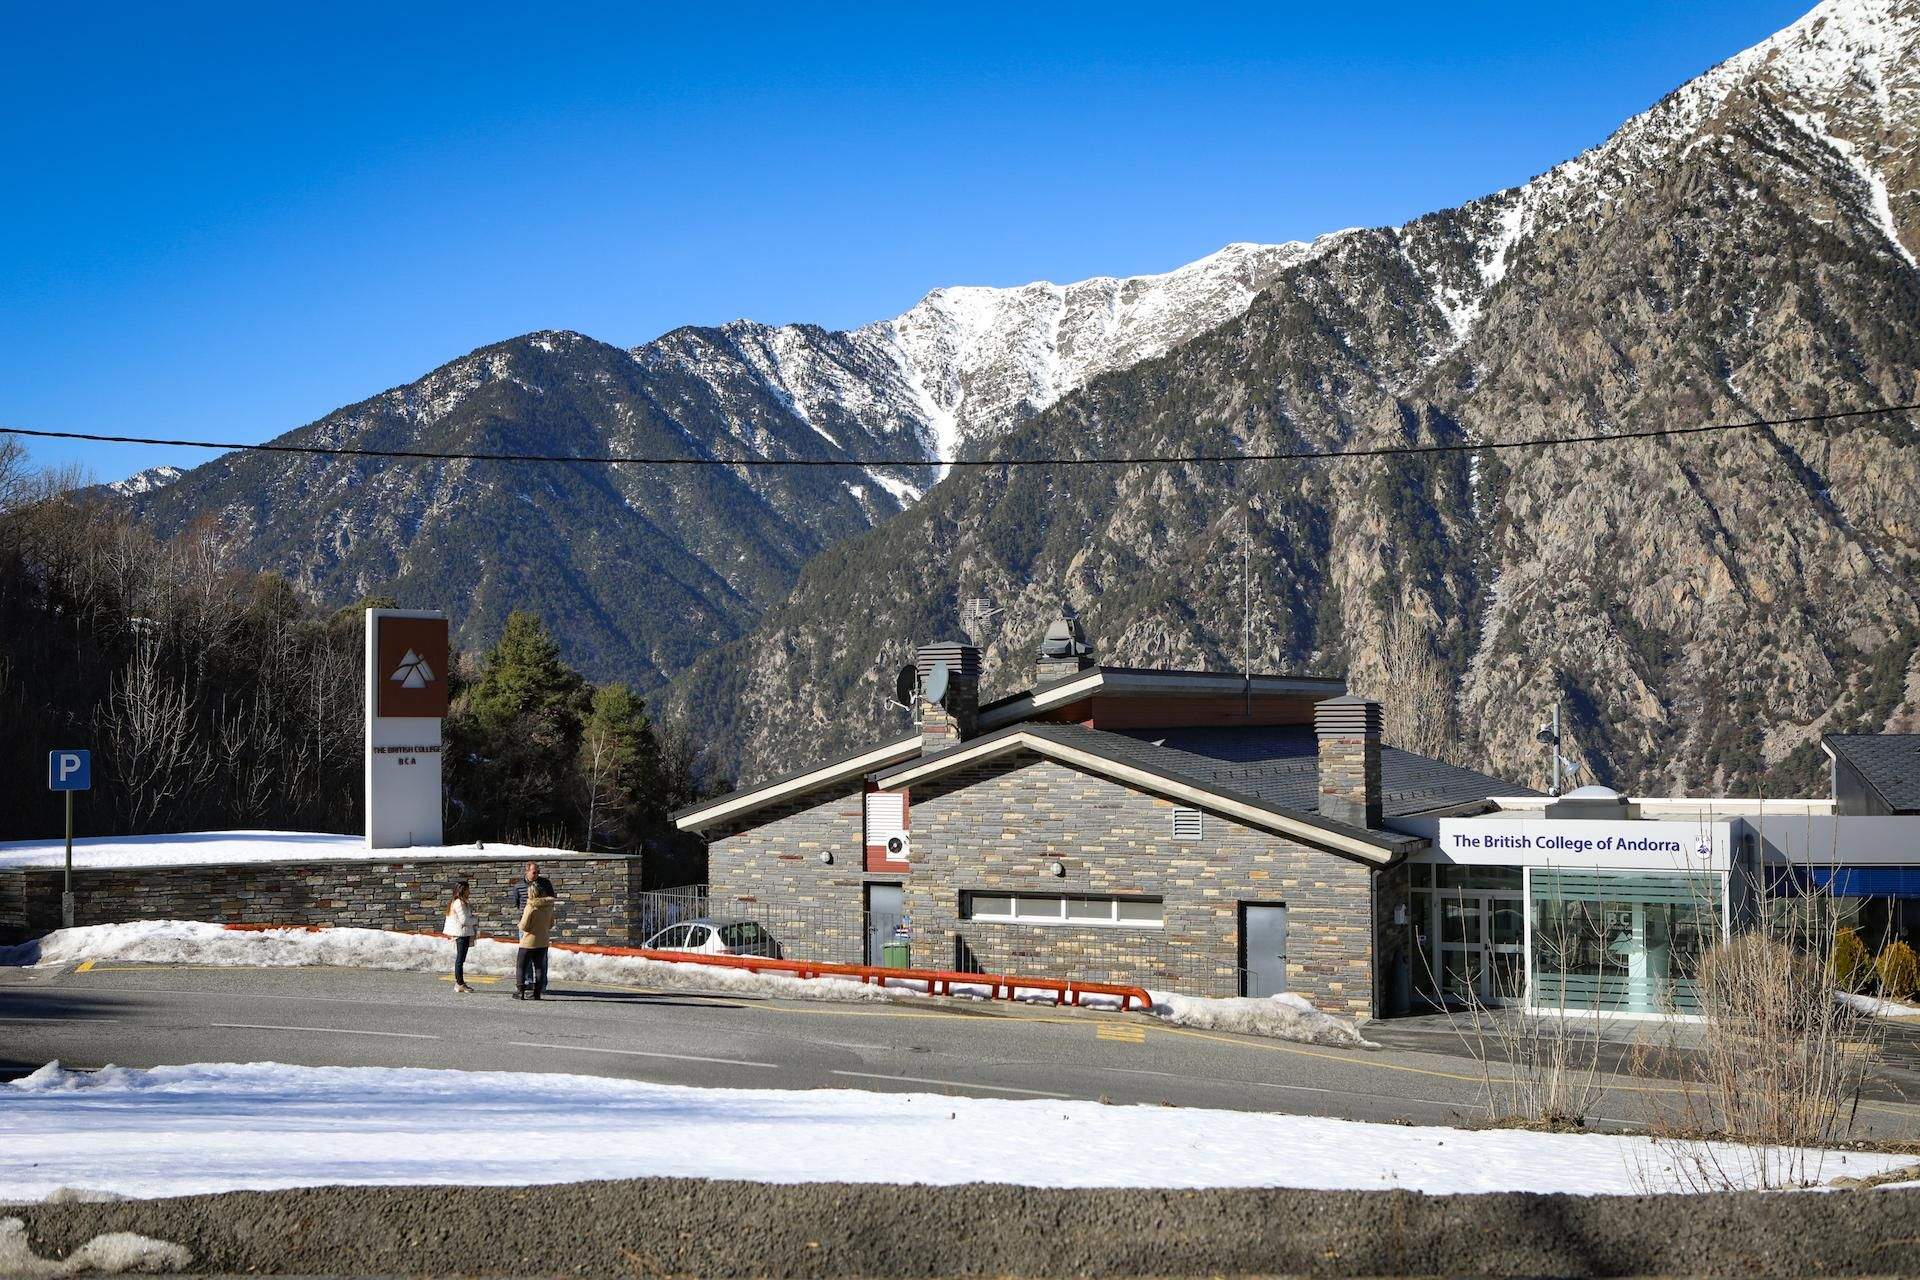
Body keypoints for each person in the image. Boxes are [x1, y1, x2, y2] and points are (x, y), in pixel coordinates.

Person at [515, 875, 557, 1000]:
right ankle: (537, 992)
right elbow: (551, 923)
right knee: (539, 967)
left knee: (521, 966)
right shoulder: (549, 906)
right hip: (543, 940)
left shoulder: (530, 906)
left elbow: (524, 926)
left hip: (528, 942)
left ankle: (520, 991)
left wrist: (520, 925)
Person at [443, 880, 477, 993]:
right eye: (468, 889)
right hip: (461, 934)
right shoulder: (459, 903)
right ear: (463, 890)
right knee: (460, 960)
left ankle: (460, 982)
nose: (469, 891)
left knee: (460, 959)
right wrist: (475, 920)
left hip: (462, 933)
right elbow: (464, 920)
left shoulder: (459, 902)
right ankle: (459, 983)